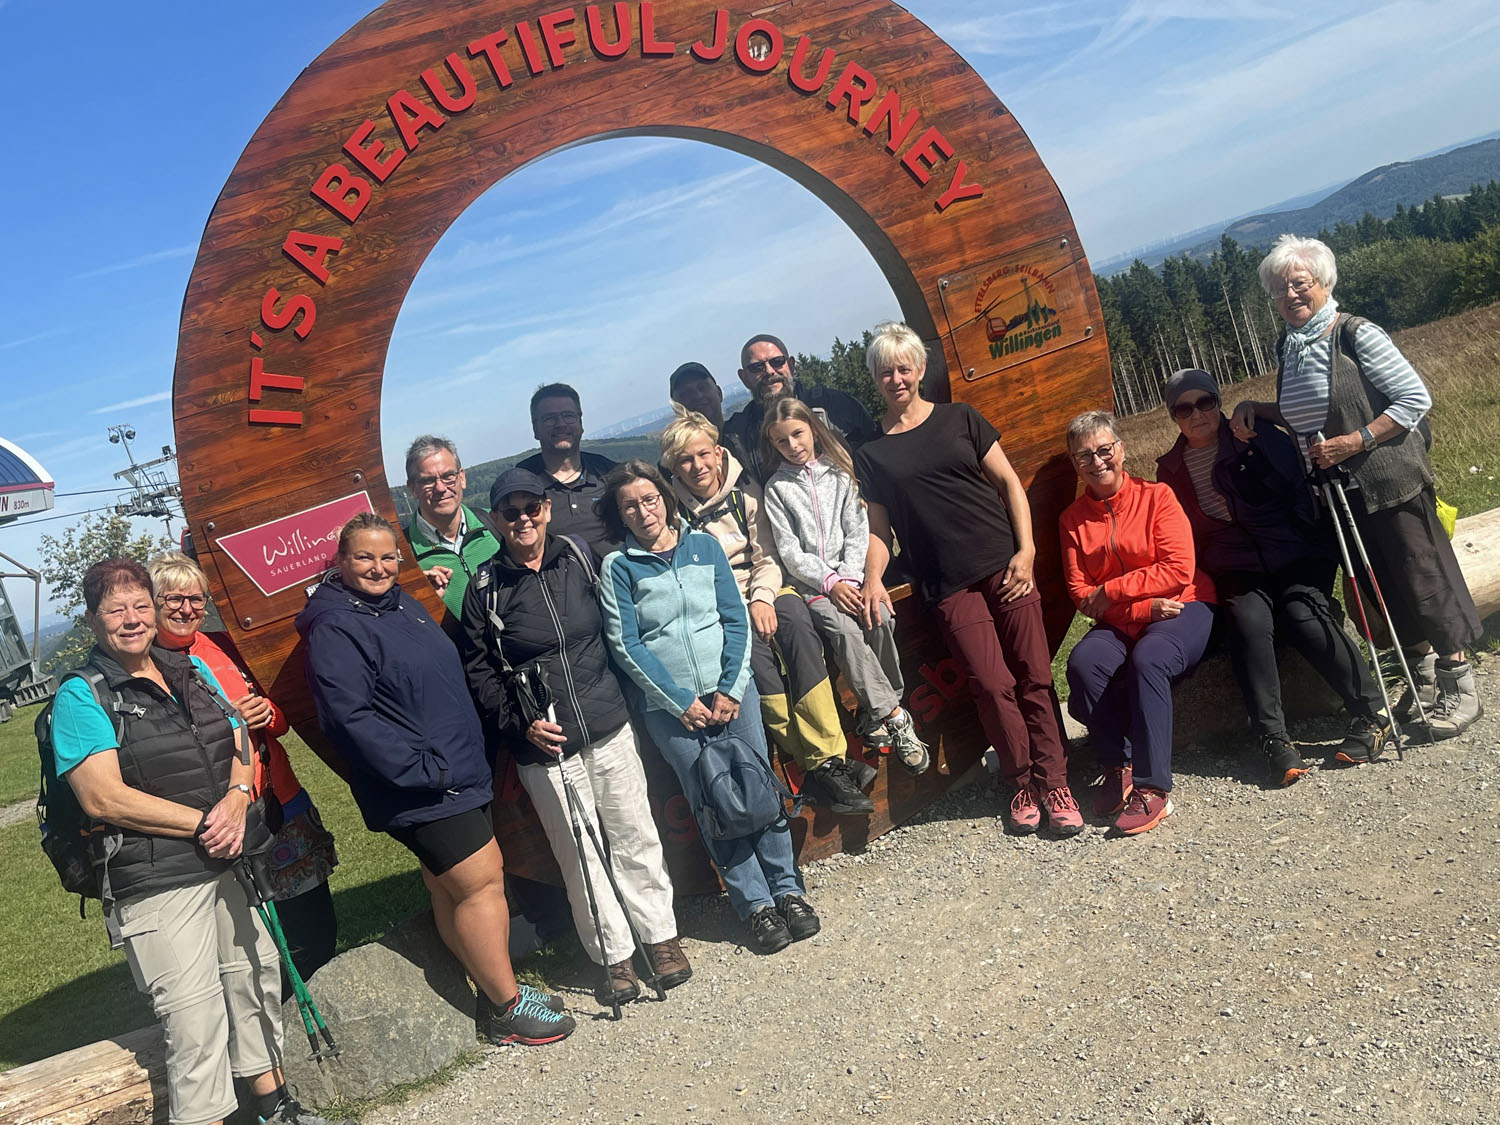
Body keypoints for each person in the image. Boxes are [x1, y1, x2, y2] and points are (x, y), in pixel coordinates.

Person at [53, 558, 347, 1125]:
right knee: (193, 1016)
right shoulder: (82, 696)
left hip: (230, 860)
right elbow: (102, 798)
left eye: (141, 605)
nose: (132, 619)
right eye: (116, 610)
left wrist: (237, 798)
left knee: (255, 979)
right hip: (158, 877)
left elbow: (239, 734)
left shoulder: (189, 668)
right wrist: (204, 824)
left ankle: (274, 1106)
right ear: (92, 619)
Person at [296, 513, 574, 1046]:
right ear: (341, 561)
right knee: (481, 882)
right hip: (422, 785)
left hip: (457, 769)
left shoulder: (399, 603)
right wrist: (423, 770)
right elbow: (348, 719)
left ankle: (490, 988)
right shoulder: (335, 627)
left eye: (388, 557)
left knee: (448, 888)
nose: (378, 567)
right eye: (364, 557)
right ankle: (507, 1009)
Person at [1232, 234, 1483, 739]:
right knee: (1381, 587)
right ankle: (1422, 681)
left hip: (1390, 481)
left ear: (1324, 282)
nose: (1289, 295)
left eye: (1299, 283)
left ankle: (1461, 686)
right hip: (1338, 494)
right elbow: (1303, 414)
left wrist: (1355, 441)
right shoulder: (1292, 346)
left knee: (1422, 578)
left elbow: (1414, 398)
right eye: (1278, 289)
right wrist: (1255, 408)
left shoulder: (1355, 333)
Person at [458, 466, 689, 1008]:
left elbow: (617, 629)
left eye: (531, 508)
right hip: (545, 745)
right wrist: (521, 724)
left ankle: (660, 939)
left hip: (607, 723)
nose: (523, 519)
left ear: (545, 509)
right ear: (496, 520)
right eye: (510, 511)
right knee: (579, 853)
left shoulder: (579, 557)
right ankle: (614, 957)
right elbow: (479, 673)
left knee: (635, 834)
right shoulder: (485, 589)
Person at [852, 322, 1082, 836]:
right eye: (885, 371)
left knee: (1035, 676)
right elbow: (878, 530)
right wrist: (871, 579)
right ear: (875, 377)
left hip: (1005, 566)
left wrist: (1026, 551)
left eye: (904, 368)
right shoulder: (872, 454)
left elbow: (1009, 484)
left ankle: (1056, 783)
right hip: (948, 584)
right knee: (991, 685)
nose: (896, 379)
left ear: (920, 369)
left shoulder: (961, 418)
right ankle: (1022, 782)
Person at [595, 460, 818, 955]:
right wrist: (679, 702)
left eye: (650, 499)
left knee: (760, 789)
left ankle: (788, 891)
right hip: (671, 712)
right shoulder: (619, 566)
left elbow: (734, 619)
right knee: (714, 804)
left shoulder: (704, 547)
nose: (643, 512)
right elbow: (627, 643)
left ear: (665, 498)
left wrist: (732, 688)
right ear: (619, 513)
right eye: (630, 506)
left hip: (732, 694)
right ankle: (755, 905)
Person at [1156, 370, 1391, 780]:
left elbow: (1299, 487)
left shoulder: (1255, 435)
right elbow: (1183, 533)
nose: (1196, 414)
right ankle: (1273, 738)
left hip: (1293, 551)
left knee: (1302, 614)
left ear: (1218, 400)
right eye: (1183, 408)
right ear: (1173, 415)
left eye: (1205, 402)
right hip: (1235, 565)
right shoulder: (1171, 470)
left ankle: (1372, 712)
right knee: (1248, 623)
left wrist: (1302, 534)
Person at [661, 405, 876, 815]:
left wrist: (761, 597)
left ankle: (824, 758)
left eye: (703, 454)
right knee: (755, 663)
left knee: (796, 627)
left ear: (718, 453)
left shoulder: (746, 494)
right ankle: (824, 765)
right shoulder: (674, 515)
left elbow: (769, 554)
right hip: (721, 605)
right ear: (673, 467)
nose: (697, 466)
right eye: (685, 460)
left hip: (768, 583)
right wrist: (740, 609)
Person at [148, 550, 340, 992]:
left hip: (280, 800)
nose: (186, 609)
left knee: (314, 931)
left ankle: (317, 1013)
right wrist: (227, 720)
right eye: (173, 599)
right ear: (151, 604)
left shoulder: (225, 644)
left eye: (196, 599)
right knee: (251, 945)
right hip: (219, 819)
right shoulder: (145, 667)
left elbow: (282, 721)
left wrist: (266, 713)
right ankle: (273, 1019)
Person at [1059, 411, 1216, 836]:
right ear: (1075, 464)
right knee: (1084, 663)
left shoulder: (1157, 497)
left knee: (1150, 659)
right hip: (1132, 618)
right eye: (1084, 456)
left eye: (1104, 450)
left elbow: (1178, 569)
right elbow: (1081, 594)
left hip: (1185, 604)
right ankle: (1119, 764)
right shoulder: (1072, 520)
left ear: (1121, 449)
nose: (1097, 462)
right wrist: (1140, 610)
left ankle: (1154, 788)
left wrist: (1112, 590)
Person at [760, 397, 930, 776]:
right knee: (844, 631)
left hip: (851, 578)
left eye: (797, 434)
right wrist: (831, 582)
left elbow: (858, 531)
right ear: (772, 444)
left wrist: (852, 578)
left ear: (812, 429)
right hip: (813, 586)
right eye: (781, 441)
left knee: (880, 616)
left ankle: (875, 712)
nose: (792, 445)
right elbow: (790, 551)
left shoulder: (839, 474)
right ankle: (895, 717)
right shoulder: (776, 489)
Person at [721, 333, 881, 484]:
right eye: (757, 367)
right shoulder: (737, 435)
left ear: (791, 365)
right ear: (744, 378)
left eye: (777, 361)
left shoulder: (835, 406)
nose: (769, 371)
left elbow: (874, 456)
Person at [515, 382, 618, 560]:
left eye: (568, 415)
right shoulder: (522, 483)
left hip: (620, 575)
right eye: (549, 418)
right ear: (535, 429)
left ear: (580, 422)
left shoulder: (610, 472)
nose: (560, 424)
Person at [402, 435, 501, 619]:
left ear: (462, 477)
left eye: (448, 476)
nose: (440, 488)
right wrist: (422, 598)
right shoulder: (403, 557)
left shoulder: (498, 523)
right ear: (413, 489)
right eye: (428, 481)